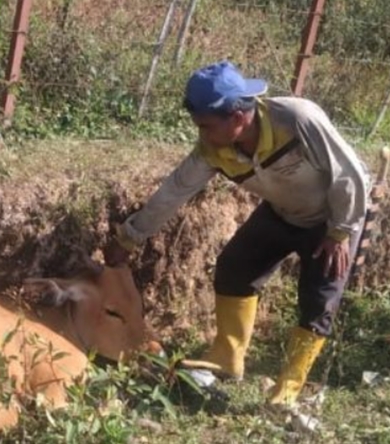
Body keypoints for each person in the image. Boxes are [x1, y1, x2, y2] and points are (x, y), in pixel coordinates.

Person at [104, 60, 370, 407]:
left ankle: (288, 386)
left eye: (206, 126)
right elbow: (174, 192)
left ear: (238, 117)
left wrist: (340, 232)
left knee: (319, 298)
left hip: (334, 217)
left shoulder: (298, 120)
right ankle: (228, 357)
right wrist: (129, 238)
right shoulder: (213, 150)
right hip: (282, 212)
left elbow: (349, 175)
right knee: (234, 267)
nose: (201, 134)